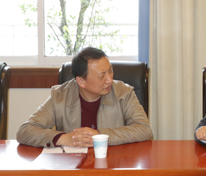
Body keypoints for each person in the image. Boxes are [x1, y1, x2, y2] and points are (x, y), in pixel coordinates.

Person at [17, 47, 153, 148]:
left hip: (113, 163)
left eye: (110, 71)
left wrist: (100, 136)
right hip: (73, 166)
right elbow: (25, 131)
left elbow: (144, 129)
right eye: (102, 76)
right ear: (81, 81)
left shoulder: (123, 92)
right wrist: (64, 139)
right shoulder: (60, 96)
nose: (109, 80)